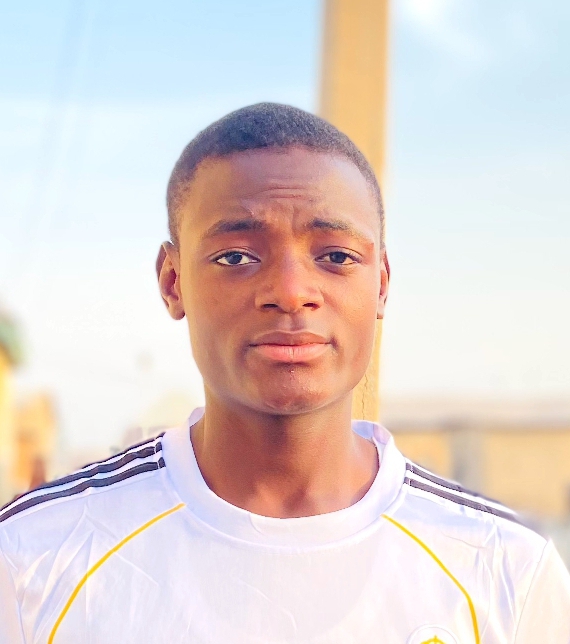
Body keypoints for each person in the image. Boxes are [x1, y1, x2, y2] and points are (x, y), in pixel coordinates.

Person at [1, 103, 569, 643]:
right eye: (236, 257)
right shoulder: (31, 559)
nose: (292, 292)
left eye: (336, 256)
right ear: (173, 282)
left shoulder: (506, 571)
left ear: (381, 283)